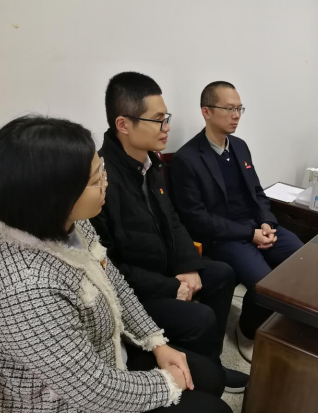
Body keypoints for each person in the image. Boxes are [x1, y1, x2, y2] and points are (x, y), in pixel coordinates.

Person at [0, 115, 232, 413]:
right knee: (214, 407)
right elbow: (91, 390)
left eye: (101, 169)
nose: (106, 182)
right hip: (71, 402)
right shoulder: (25, 291)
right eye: (95, 179)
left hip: (109, 354)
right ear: (54, 199)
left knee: (210, 377)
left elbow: (115, 285)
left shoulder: (73, 224)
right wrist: (166, 384)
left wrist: (157, 342)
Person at [90, 72, 247, 392]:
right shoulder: (102, 181)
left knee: (222, 274)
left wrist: (188, 265)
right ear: (123, 124)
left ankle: (211, 363)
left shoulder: (150, 163)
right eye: (158, 120)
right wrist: (171, 286)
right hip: (133, 292)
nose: (167, 128)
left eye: (167, 118)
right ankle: (197, 376)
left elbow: (172, 220)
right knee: (200, 318)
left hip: (162, 269)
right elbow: (108, 267)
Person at [170, 82, 304, 362]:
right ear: (206, 111)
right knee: (264, 283)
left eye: (239, 109)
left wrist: (266, 222)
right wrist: (250, 233)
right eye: (229, 109)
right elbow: (197, 219)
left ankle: (281, 319)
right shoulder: (187, 159)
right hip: (223, 237)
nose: (236, 115)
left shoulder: (240, 147)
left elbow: (257, 192)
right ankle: (247, 329)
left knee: (300, 258)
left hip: (255, 226)